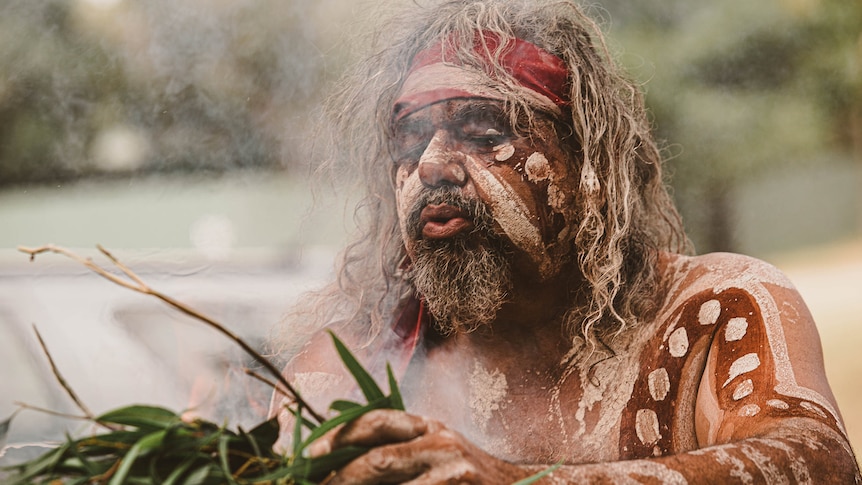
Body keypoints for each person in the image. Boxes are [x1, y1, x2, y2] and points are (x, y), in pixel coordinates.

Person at [269, 0, 862, 482]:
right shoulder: (344, 371)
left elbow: (820, 464)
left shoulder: (713, 311)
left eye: (482, 130)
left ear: (589, 170)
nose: (431, 165)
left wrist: (508, 480)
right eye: (409, 140)